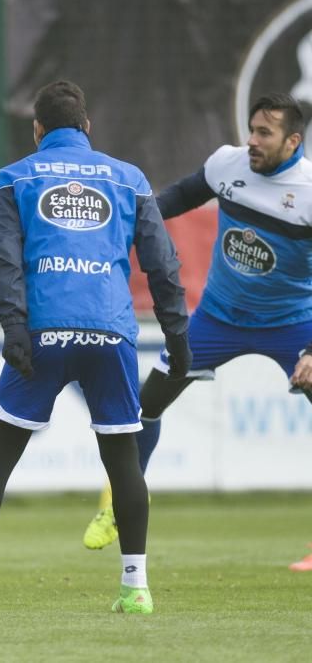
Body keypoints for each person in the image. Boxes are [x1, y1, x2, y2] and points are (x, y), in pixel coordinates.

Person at [0, 80, 190, 615]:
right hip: (110, 332)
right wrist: (178, 338)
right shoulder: (128, 178)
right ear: (86, 127)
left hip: (42, 332)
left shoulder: (14, 177)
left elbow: (3, 259)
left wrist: (13, 327)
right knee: (123, 462)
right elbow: (162, 263)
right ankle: (135, 589)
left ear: (37, 129)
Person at [81, 93, 312, 570]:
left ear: (293, 141)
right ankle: (121, 505)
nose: (252, 140)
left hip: (294, 324)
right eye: (251, 129)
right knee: (143, 407)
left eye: (264, 134)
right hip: (216, 320)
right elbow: (177, 198)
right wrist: (123, 228)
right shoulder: (228, 164)